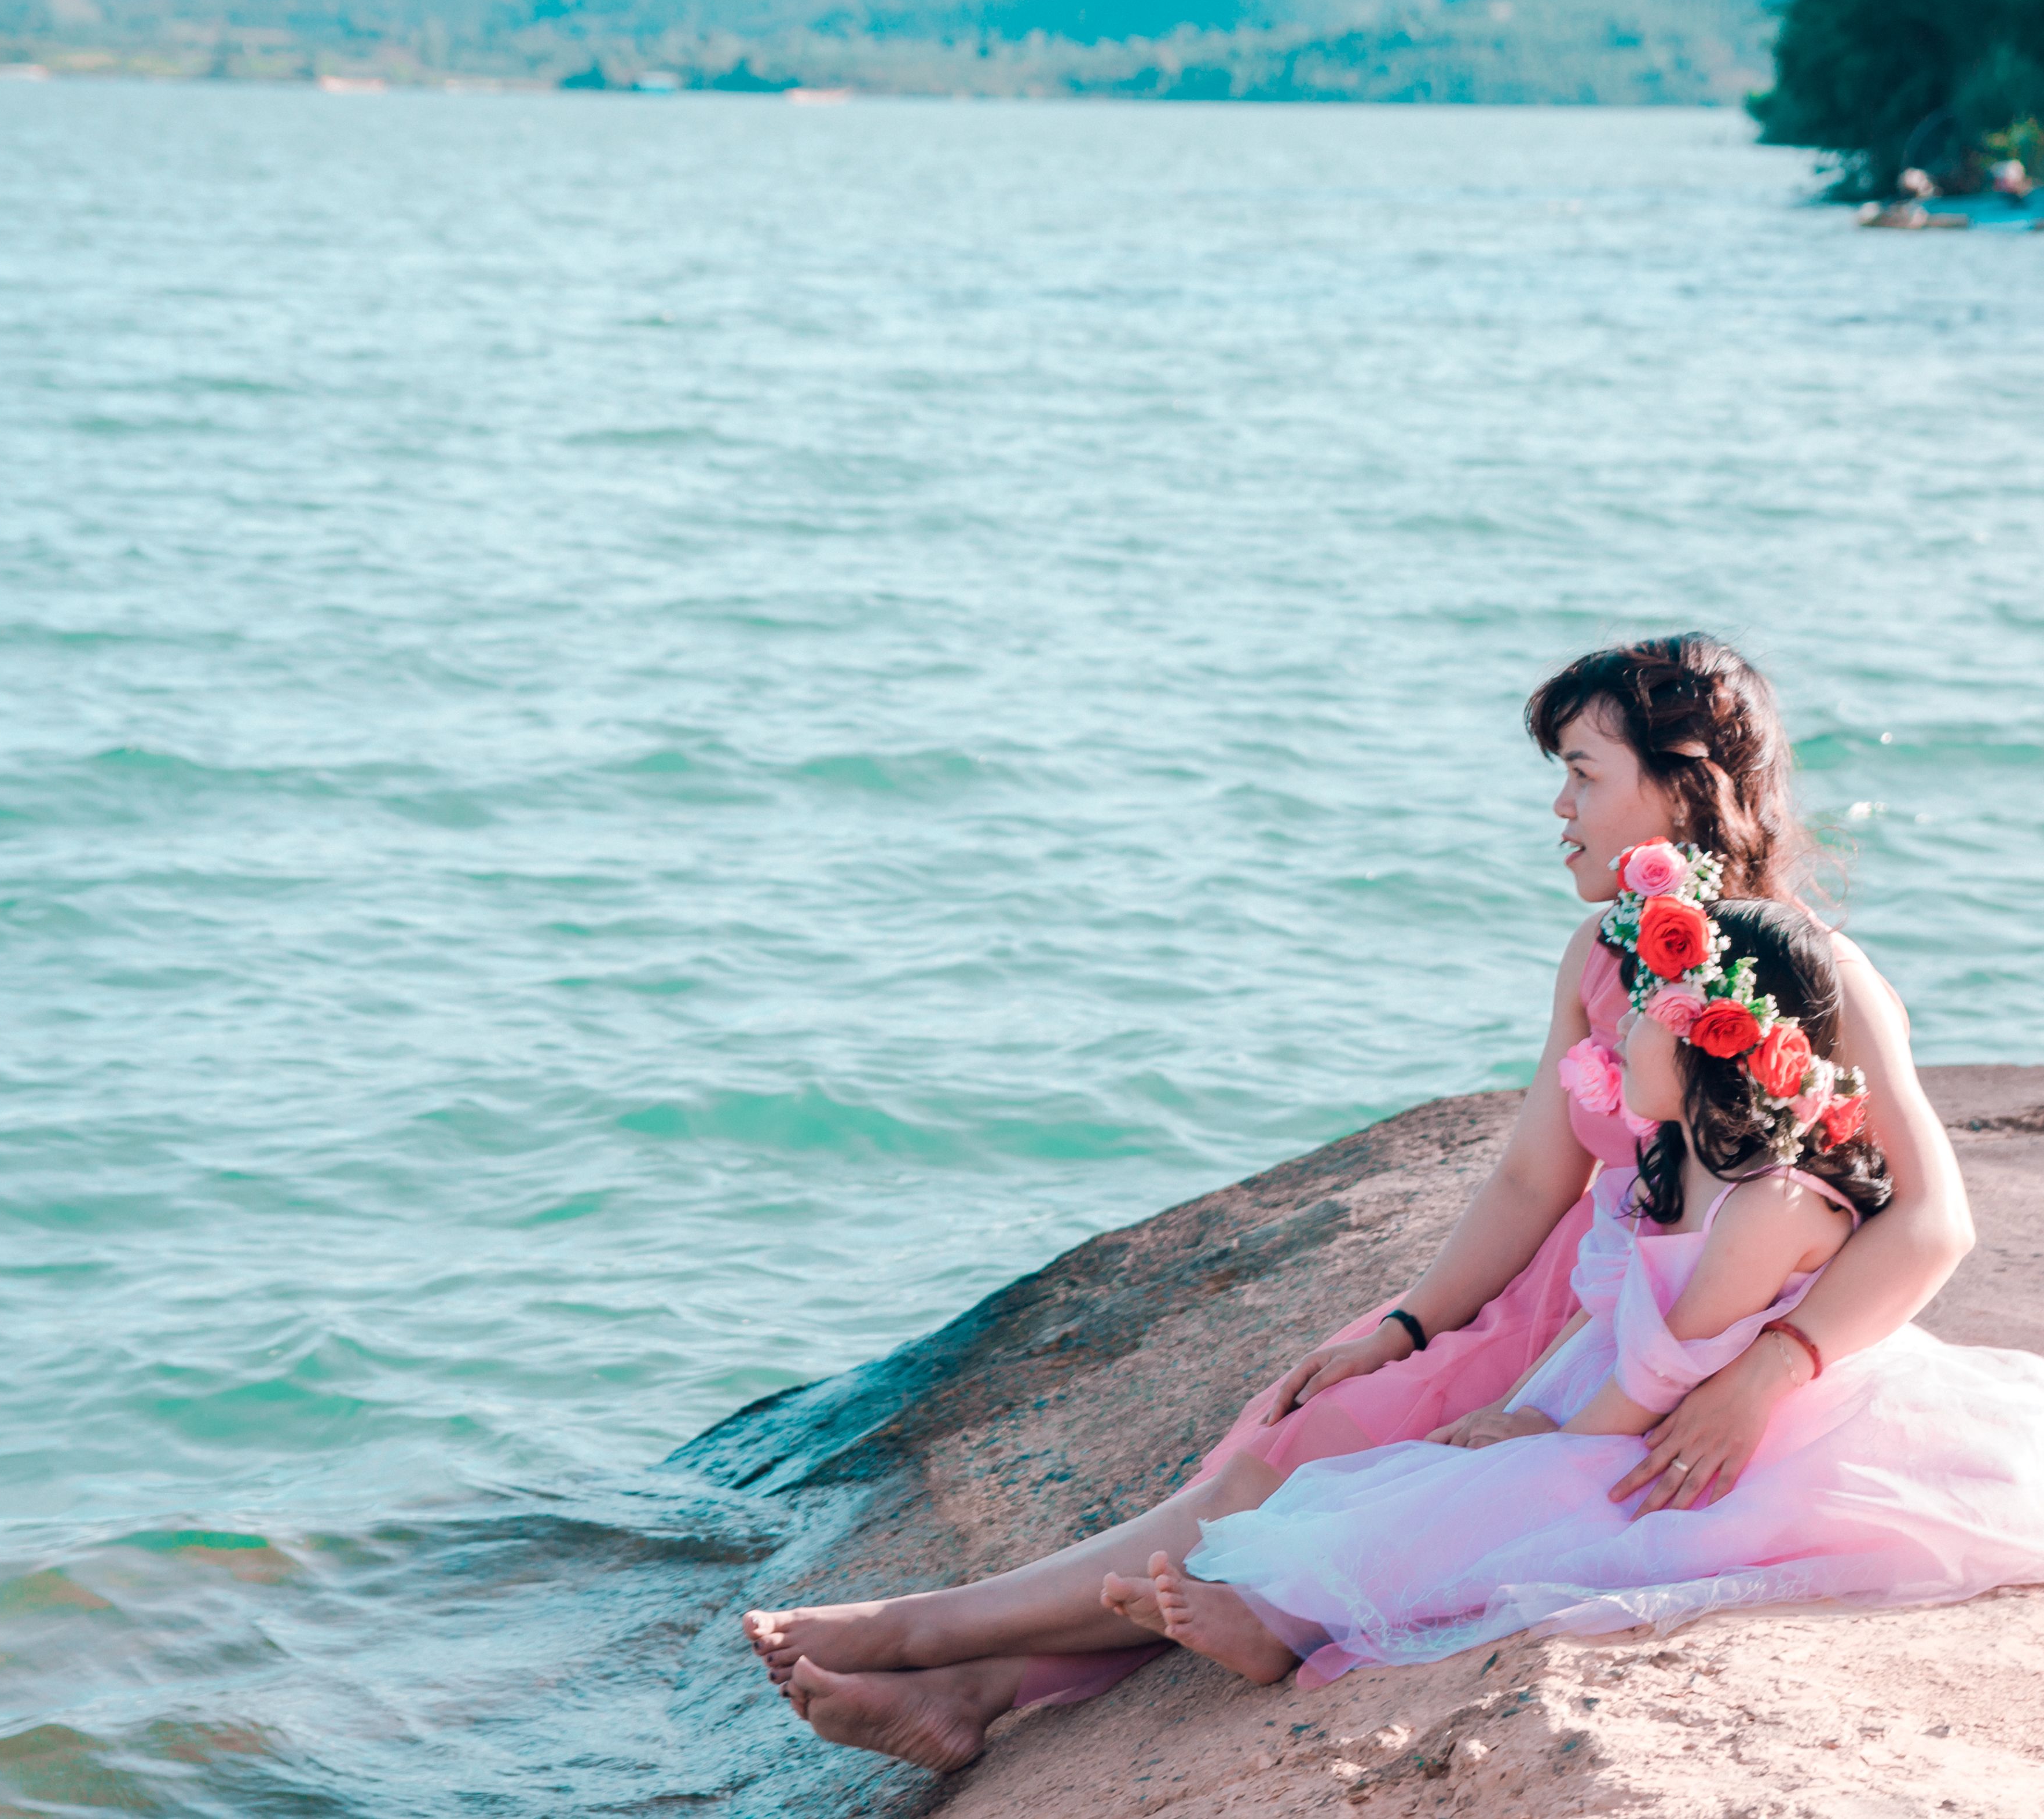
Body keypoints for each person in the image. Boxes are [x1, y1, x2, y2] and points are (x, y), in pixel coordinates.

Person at [746, 636, 1978, 1771]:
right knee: (1287, 1449)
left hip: (1666, 1323)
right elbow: (1532, 1178)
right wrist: (1405, 1325)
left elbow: (1929, 1220)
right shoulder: (1603, 952)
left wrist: (1764, 1372)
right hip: (1562, 1295)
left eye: (1582, 773)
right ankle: (979, 1687)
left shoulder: (1813, 975)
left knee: (1281, 1487)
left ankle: (918, 1634)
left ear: (1683, 788)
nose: (1558, 807)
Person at [1105, 894, 2044, 1686]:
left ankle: (1280, 1624)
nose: (1620, 1030)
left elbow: (1658, 1372)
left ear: (1714, 1043)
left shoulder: (1772, 1205)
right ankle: (1275, 1599)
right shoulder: (1676, 1164)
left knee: (1521, 1506)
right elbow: (1612, 1325)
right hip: (1633, 1395)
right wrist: (1523, 1412)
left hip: (1708, 1425)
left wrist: (1540, 1441)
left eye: (1645, 1014)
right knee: (1450, 1476)